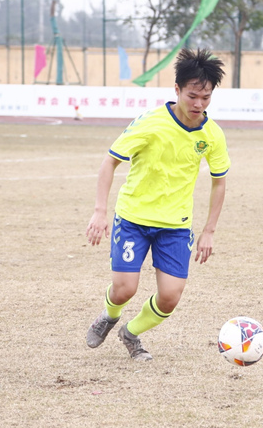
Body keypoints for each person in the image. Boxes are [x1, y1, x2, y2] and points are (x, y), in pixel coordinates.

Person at [84, 48, 230, 360]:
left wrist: (209, 231)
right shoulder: (150, 122)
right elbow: (110, 162)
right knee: (125, 289)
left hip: (175, 226)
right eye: (192, 96)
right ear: (177, 89)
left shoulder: (212, 134)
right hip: (133, 219)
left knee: (170, 296)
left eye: (206, 97)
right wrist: (99, 211)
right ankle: (109, 316)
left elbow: (219, 181)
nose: (199, 104)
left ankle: (131, 332)